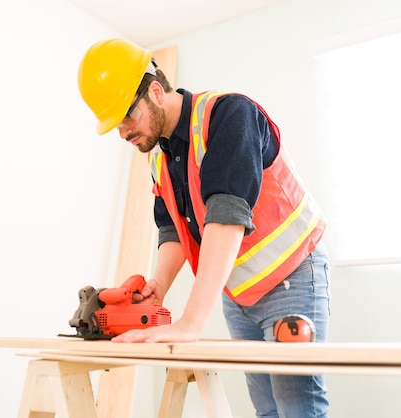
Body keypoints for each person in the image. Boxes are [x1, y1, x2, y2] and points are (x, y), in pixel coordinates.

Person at [77, 38, 331, 418]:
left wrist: (190, 323)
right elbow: (173, 230)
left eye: (127, 117)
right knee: (267, 411)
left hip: (291, 280)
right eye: (115, 124)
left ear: (156, 92)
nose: (123, 133)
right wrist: (157, 288)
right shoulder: (159, 157)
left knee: (297, 409)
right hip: (240, 296)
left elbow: (227, 214)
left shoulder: (229, 116)